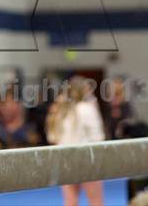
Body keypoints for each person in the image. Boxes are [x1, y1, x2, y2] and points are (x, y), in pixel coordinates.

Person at [45, 76, 106, 206]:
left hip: (65, 158)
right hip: (86, 159)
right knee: (96, 201)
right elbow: (98, 137)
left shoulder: (60, 110)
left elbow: (52, 137)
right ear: (83, 90)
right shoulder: (87, 108)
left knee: (70, 201)